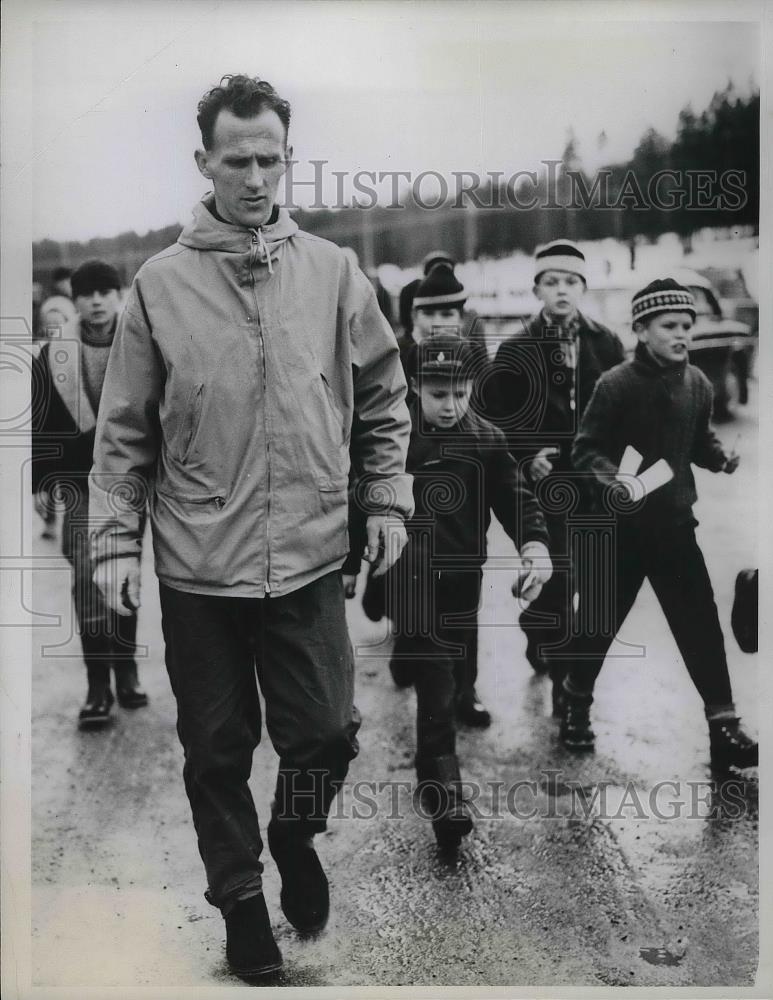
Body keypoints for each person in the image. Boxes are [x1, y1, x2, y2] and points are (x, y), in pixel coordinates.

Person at [88, 74, 412, 979]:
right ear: (205, 163)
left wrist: (385, 496)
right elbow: (121, 433)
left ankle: (295, 833)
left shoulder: (333, 273)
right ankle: (239, 903)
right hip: (198, 568)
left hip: (309, 553)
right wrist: (114, 542)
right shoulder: (158, 286)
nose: (257, 177)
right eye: (239, 160)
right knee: (216, 749)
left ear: (288, 161)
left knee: (325, 732)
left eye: (271, 159)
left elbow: (385, 395)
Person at [560, 278, 758, 772]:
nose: (681, 335)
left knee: (700, 626)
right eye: (669, 326)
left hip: (674, 527)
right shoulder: (616, 384)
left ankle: (724, 726)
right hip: (622, 531)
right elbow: (585, 449)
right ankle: (576, 702)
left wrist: (721, 458)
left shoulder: (699, 384)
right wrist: (612, 482)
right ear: (642, 329)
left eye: (687, 326)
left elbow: (698, 441)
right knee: (599, 623)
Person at [380, 335, 551, 849]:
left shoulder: (486, 440)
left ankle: (437, 768)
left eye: (459, 392)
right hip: (409, 573)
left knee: (448, 672)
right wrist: (349, 562)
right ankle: (443, 794)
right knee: (437, 684)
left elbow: (516, 499)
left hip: (461, 578)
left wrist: (535, 546)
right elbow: (362, 492)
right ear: (414, 386)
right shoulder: (394, 439)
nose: (450, 405)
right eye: (438, 394)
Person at [348, 261, 492, 724]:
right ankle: (406, 637)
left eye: (450, 314)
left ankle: (463, 689)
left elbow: (486, 419)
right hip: (406, 507)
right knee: (411, 591)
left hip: (461, 516)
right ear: (413, 318)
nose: (439, 323)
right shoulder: (399, 355)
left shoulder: (472, 355)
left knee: (461, 612)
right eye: (430, 314)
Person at [488, 240, 624, 712]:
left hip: (594, 480)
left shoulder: (606, 343)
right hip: (544, 484)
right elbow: (496, 414)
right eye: (552, 282)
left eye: (571, 282)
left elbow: (620, 409)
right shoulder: (516, 347)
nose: (562, 291)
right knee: (562, 573)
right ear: (537, 289)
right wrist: (527, 456)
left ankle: (536, 625)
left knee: (587, 576)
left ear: (584, 288)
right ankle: (565, 689)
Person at [32, 259, 148, 728]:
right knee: (86, 579)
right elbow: (40, 423)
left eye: (106, 291)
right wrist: (42, 481)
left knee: (125, 574)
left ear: (118, 294)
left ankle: (128, 671)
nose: (97, 301)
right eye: (87, 293)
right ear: (74, 299)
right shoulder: (54, 354)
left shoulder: (140, 342)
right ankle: (97, 684)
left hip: (128, 482)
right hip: (78, 482)